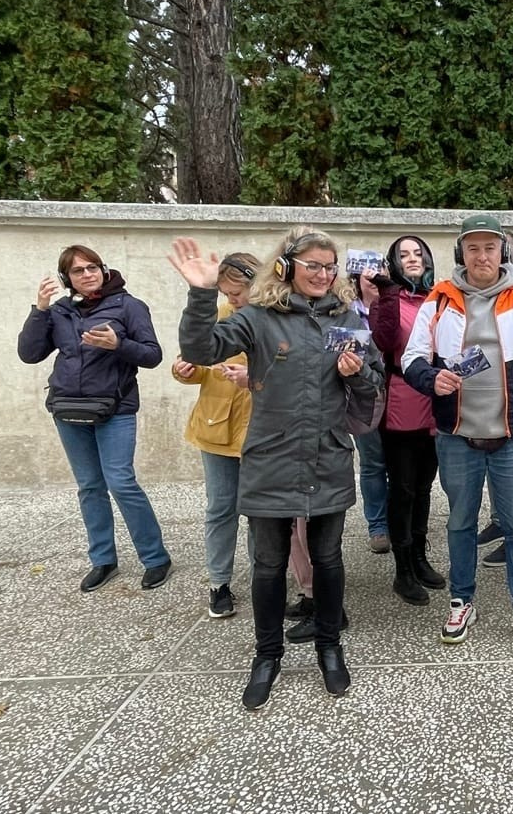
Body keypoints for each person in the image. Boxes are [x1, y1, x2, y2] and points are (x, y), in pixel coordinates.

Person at [170, 228, 382, 709]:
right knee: (268, 565)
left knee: (328, 559)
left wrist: (357, 375)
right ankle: (267, 656)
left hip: (327, 455)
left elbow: (374, 385)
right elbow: (201, 351)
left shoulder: (346, 318)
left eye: (329, 266)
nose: (322, 275)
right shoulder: (258, 317)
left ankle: (330, 646)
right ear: (286, 267)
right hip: (271, 458)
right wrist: (201, 293)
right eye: (313, 265)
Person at [401, 215, 513, 660]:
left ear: (503, 251)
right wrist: (431, 378)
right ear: (461, 252)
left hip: (512, 435)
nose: (482, 256)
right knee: (460, 522)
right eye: (473, 248)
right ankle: (462, 602)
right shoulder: (440, 298)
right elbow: (411, 358)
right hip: (457, 435)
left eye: (490, 247)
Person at [19, 245, 171, 593]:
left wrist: (119, 344)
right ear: (67, 278)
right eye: (78, 271)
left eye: (92, 267)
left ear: (103, 270)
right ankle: (103, 560)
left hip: (115, 409)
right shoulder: (60, 311)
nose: (87, 275)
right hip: (68, 409)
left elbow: (152, 355)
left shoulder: (129, 306)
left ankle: (155, 558)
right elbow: (29, 354)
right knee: (89, 486)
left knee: (121, 483)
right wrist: (39, 310)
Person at [170, 251, 259, 619]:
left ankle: (263, 579)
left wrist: (253, 378)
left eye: (237, 292)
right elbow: (195, 364)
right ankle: (219, 583)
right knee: (221, 508)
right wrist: (185, 371)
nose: (231, 300)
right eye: (225, 293)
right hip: (216, 428)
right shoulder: (219, 317)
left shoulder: (275, 321)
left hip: (259, 431)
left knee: (261, 513)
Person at [368, 235, 447, 605]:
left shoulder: (439, 297)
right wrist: (386, 294)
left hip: (437, 399)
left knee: (425, 485)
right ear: (393, 263)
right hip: (401, 399)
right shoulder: (387, 300)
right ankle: (402, 569)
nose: (412, 258)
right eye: (404, 254)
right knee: (402, 487)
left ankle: (419, 555)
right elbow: (384, 342)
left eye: (418, 253)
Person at [350, 266, 392, 554]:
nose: (375, 278)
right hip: (364, 394)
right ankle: (378, 526)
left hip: (400, 391)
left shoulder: (397, 302)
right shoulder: (346, 312)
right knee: (372, 462)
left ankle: (401, 519)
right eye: (368, 274)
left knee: (401, 462)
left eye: (380, 271)